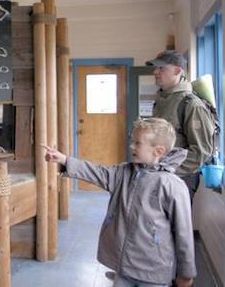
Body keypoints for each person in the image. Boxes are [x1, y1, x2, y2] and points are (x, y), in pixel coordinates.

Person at [45, 118, 196, 287]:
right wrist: (64, 159)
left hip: (154, 274)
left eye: (138, 143)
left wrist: (186, 274)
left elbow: (184, 234)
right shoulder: (124, 173)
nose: (132, 146)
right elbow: (97, 172)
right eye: (133, 141)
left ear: (158, 151)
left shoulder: (173, 186)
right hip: (124, 269)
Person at [146, 50, 215, 202]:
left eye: (162, 68)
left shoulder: (191, 104)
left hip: (179, 179)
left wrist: (168, 169)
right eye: (155, 68)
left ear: (178, 70)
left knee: (176, 225)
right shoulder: (162, 100)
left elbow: (201, 152)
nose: (156, 72)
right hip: (160, 175)